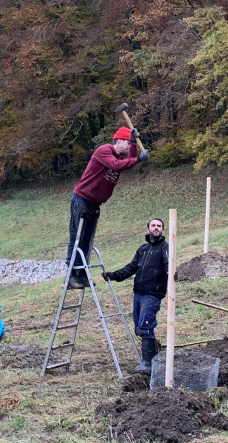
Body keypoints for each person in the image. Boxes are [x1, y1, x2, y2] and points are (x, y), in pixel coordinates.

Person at [66, 126, 149, 288]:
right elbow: (117, 165)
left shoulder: (118, 155)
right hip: (82, 197)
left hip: (94, 202)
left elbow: (126, 163)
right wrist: (138, 158)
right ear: (119, 141)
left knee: (87, 240)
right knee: (76, 237)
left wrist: (133, 144)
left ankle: (81, 274)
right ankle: (70, 275)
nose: (127, 146)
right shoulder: (104, 150)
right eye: (127, 142)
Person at [103, 217, 169, 373]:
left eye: (159, 226)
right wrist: (114, 275)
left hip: (152, 294)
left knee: (145, 326)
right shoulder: (142, 250)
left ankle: (148, 364)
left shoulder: (165, 248)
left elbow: (168, 264)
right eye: (153, 225)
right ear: (148, 229)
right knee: (139, 327)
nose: (156, 228)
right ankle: (153, 358)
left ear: (163, 230)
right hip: (138, 293)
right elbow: (131, 267)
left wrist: (171, 273)